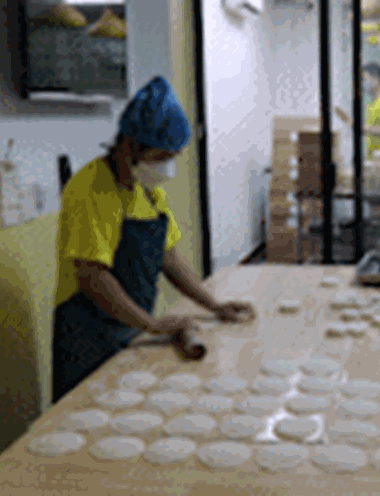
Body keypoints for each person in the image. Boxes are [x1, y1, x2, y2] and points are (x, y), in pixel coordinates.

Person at [53, 76, 255, 404]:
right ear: (131, 146)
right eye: (162, 157)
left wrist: (213, 305)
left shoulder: (150, 193)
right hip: (88, 336)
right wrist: (151, 324)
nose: (168, 167)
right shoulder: (90, 189)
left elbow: (170, 258)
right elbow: (93, 276)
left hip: (132, 327)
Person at [336, 62, 380, 161]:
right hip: (374, 158)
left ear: (376, 79)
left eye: (364, 79)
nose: (362, 83)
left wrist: (363, 128)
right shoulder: (373, 103)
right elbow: (371, 130)